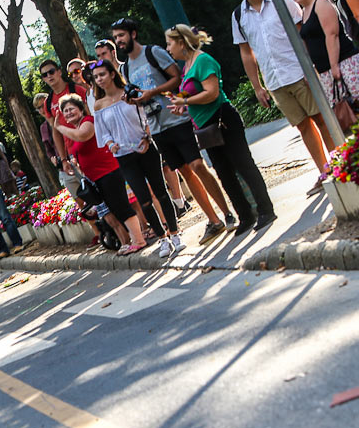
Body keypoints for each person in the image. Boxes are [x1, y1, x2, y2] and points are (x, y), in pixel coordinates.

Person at [111, 17, 236, 245]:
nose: (118, 40)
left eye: (121, 35)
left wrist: (153, 92)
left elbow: (177, 78)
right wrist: (135, 101)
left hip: (177, 118)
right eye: (116, 37)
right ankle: (213, 220)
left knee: (198, 165)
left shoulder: (153, 52)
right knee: (186, 173)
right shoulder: (125, 67)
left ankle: (227, 212)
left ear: (133, 34)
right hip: (157, 128)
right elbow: (141, 96)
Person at [233, 0, 336, 197]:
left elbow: (303, 32)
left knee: (320, 118)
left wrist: (311, 66)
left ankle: (339, 165)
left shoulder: (282, 0)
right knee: (302, 126)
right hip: (275, 80)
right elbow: (246, 53)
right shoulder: (239, 15)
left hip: (298, 71)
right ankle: (324, 173)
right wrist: (257, 86)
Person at [166, 24, 277, 235]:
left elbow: (211, 93)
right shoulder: (187, 66)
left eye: (170, 43)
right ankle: (245, 215)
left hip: (222, 119)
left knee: (243, 164)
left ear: (181, 42)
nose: (168, 48)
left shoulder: (202, 60)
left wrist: (186, 102)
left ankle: (265, 209)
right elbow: (189, 93)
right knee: (224, 173)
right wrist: (179, 104)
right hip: (205, 127)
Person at [90, 60, 185, 257]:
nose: (99, 79)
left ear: (112, 74)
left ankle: (175, 233)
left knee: (160, 192)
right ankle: (162, 238)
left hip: (146, 149)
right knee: (143, 200)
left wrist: (148, 137)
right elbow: (103, 133)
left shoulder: (129, 93)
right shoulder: (99, 105)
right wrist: (111, 144)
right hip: (124, 156)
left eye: (102, 74)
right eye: (96, 77)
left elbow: (147, 114)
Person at [54, 93, 145, 254]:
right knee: (113, 211)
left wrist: (60, 127)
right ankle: (130, 241)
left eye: (71, 109)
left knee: (122, 207)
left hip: (108, 171)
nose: (68, 113)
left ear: (81, 109)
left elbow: (84, 136)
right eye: (65, 111)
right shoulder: (75, 129)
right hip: (96, 177)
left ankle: (139, 239)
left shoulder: (88, 122)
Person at [38, 59, 88, 184]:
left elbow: (91, 116)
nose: (49, 76)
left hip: (90, 143)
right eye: (45, 75)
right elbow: (56, 132)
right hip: (73, 153)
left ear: (59, 72)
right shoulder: (48, 103)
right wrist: (64, 159)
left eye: (51, 71)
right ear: (43, 79)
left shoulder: (76, 89)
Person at [34, 91, 80, 197]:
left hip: (74, 157)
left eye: (43, 105)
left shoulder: (64, 118)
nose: (42, 109)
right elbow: (48, 148)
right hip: (62, 165)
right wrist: (52, 158)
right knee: (76, 196)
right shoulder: (43, 128)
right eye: (39, 108)